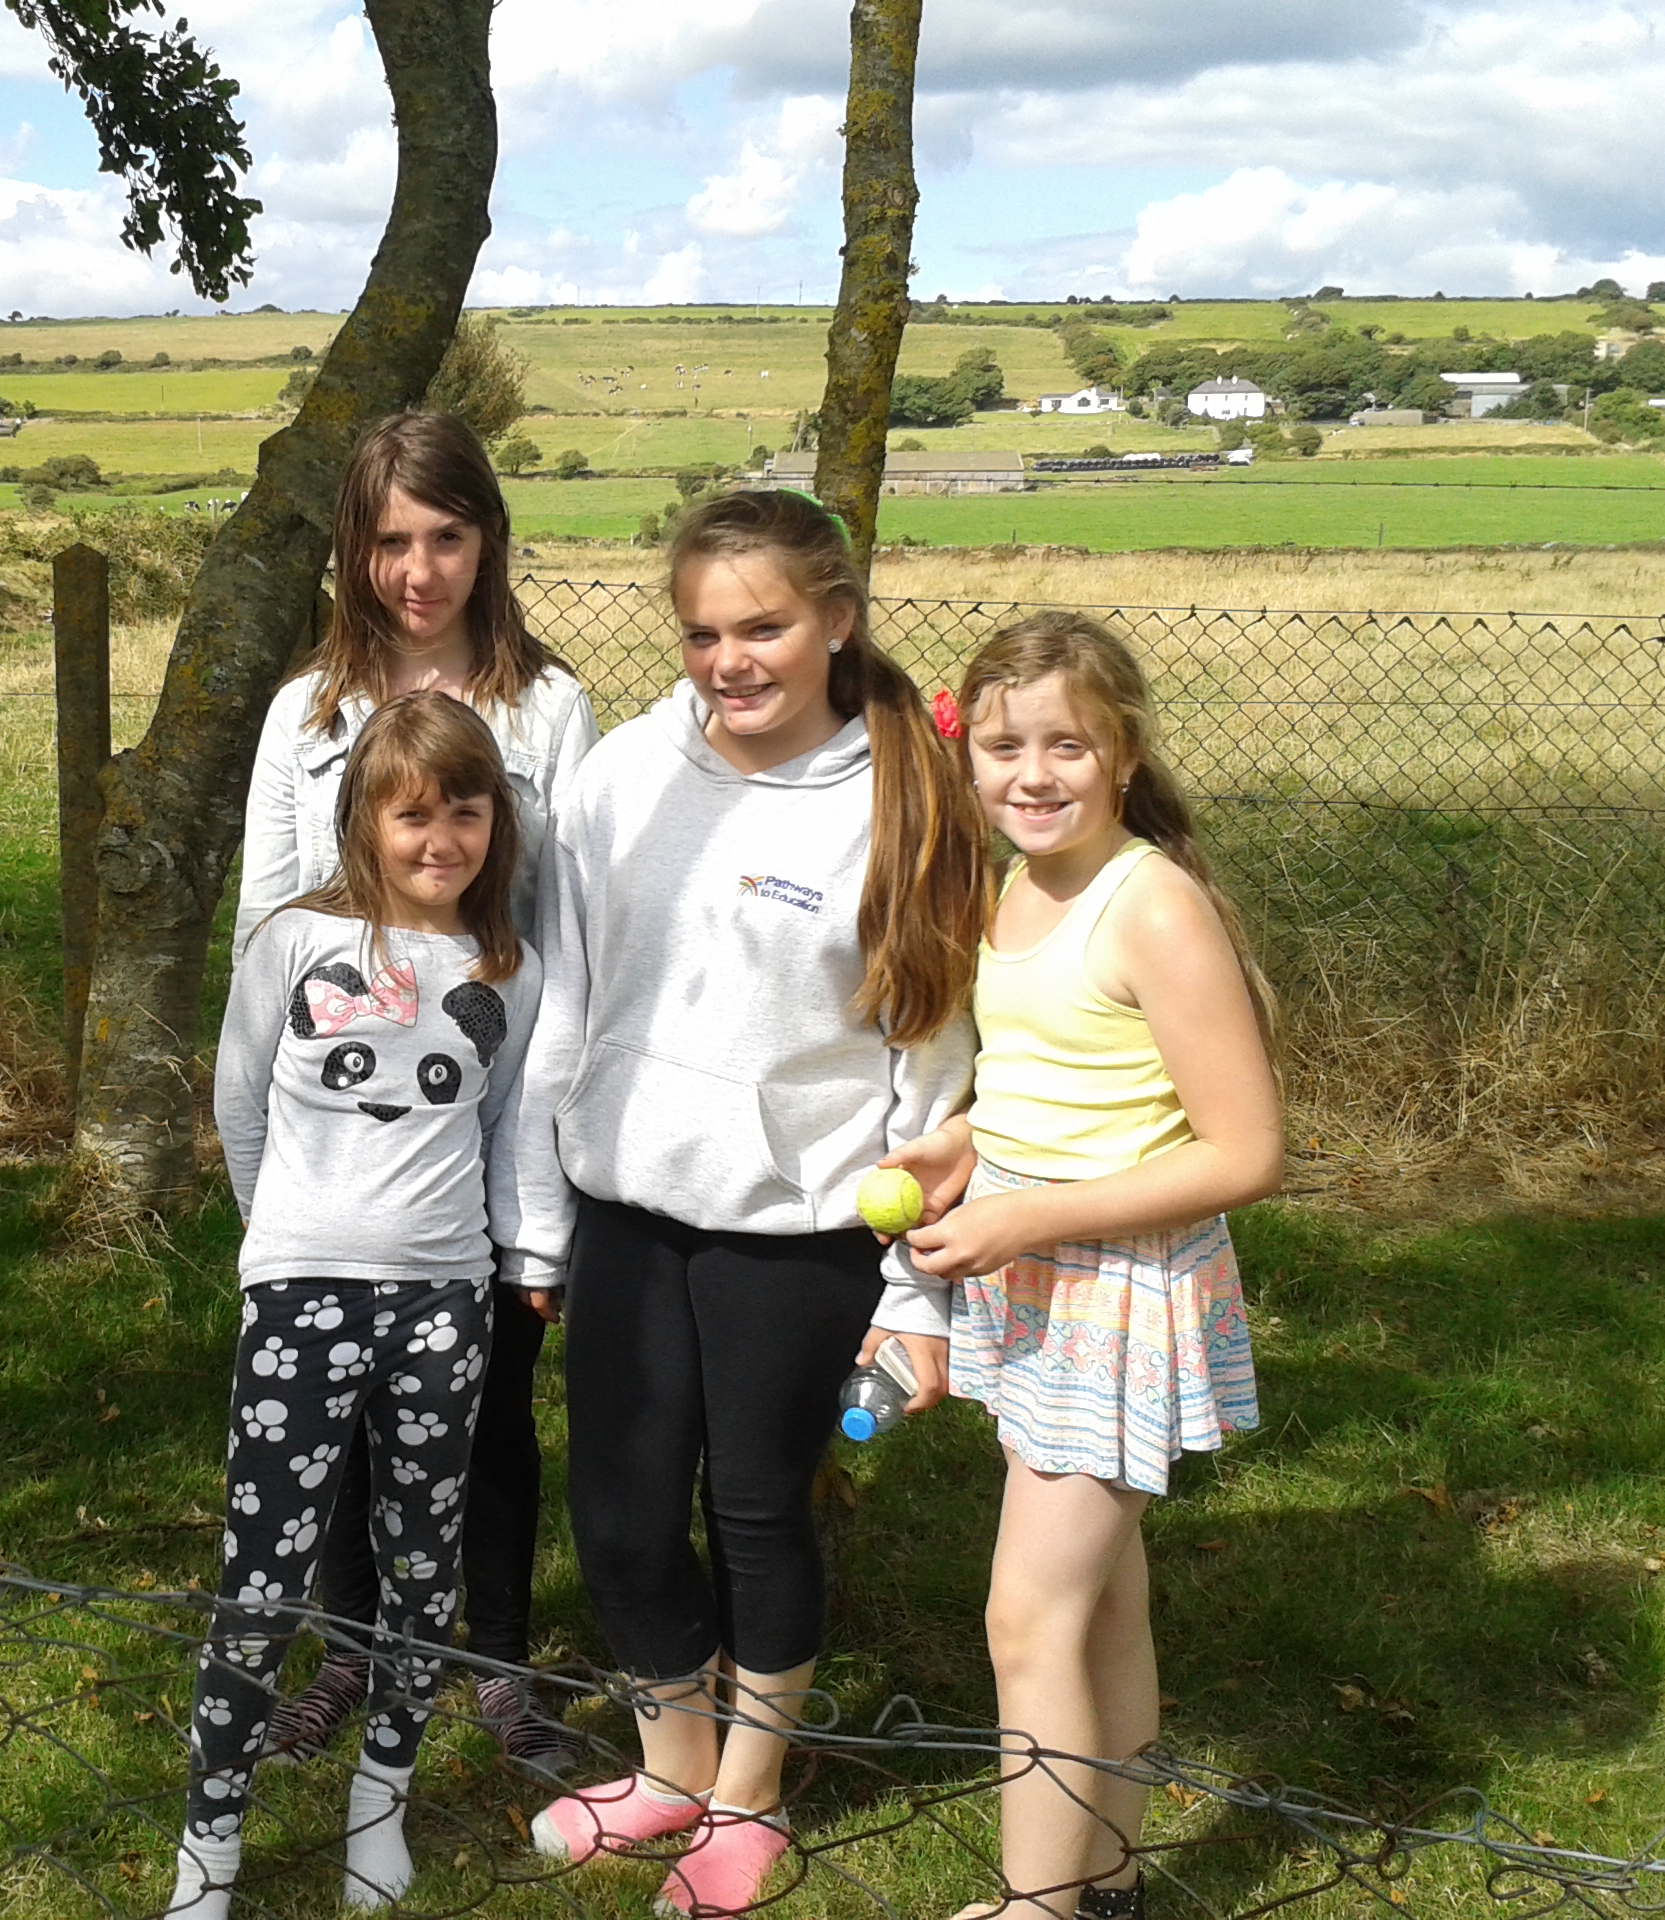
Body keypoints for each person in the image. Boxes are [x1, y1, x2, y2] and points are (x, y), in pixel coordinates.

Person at [500, 490, 992, 1917]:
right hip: (627, 1208)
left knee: (760, 1510)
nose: (730, 661)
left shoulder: (903, 802)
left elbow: (931, 1074)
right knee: (620, 1512)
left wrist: (916, 1295)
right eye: (703, 633)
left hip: (802, 1232)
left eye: (763, 627)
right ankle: (672, 1768)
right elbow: (563, 1007)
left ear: (835, 618)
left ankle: (750, 1798)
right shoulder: (621, 778)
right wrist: (541, 1214)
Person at [877, 611, 1281, 1920]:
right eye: (1005, 747)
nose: (1033, 774)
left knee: (1028, 1618)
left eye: (1066, 745)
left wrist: (1027, 1221)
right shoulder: (1015, 884)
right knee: (1100, 1603)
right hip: (1045, 1279)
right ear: (969, 756)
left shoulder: (1149, 906)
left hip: (1115, 1294)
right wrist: (964, 1143)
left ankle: (1035, 1908)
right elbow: (1059, 1080)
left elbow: (1244, 1151)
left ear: (1123, 753)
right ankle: (1104, 1879)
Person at [236, 410, 599, 1776]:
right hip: (330, 1144)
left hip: (484, 1120)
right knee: (332, 1420)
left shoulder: (547, 708)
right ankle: (352, 1648)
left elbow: (564, 937)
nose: (419, 570)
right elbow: (266, 926)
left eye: (447, 537)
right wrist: (272, 1178)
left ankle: (496, 1663)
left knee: (489, 1407)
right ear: (353, 549)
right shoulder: (306, 712)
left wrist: (539, 1186)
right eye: (391, 540)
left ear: (490, 539)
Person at [170, 692, 552, 1918]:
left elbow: (504, 1126)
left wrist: (510, 1260)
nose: (441, 839)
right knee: (261, 1579)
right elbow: (239, 1102)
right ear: (363, 821)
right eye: (412, 815)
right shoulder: (292, 941)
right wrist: (279, 1245)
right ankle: (209, 1846)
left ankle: (379, 1807)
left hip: (445, 1301)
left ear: (496, 824)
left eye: (466, 813)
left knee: (422, 1566)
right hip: (301, 1292)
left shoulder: (507, 969)